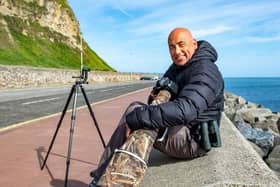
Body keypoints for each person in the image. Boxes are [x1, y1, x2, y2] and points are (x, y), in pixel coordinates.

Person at [89, 27, 224, 186]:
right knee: (138, 109)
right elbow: (156, 92)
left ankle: (109, 176)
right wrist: (157, 94)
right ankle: (105, 172)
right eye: (172, 47)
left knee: (137, 115)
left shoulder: (205, 70)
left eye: (181, 45)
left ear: (194, 44)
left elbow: (185, 110)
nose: (177, 51)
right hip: (181, 128)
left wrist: (136, 118)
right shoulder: (178, 67)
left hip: (193, 140)